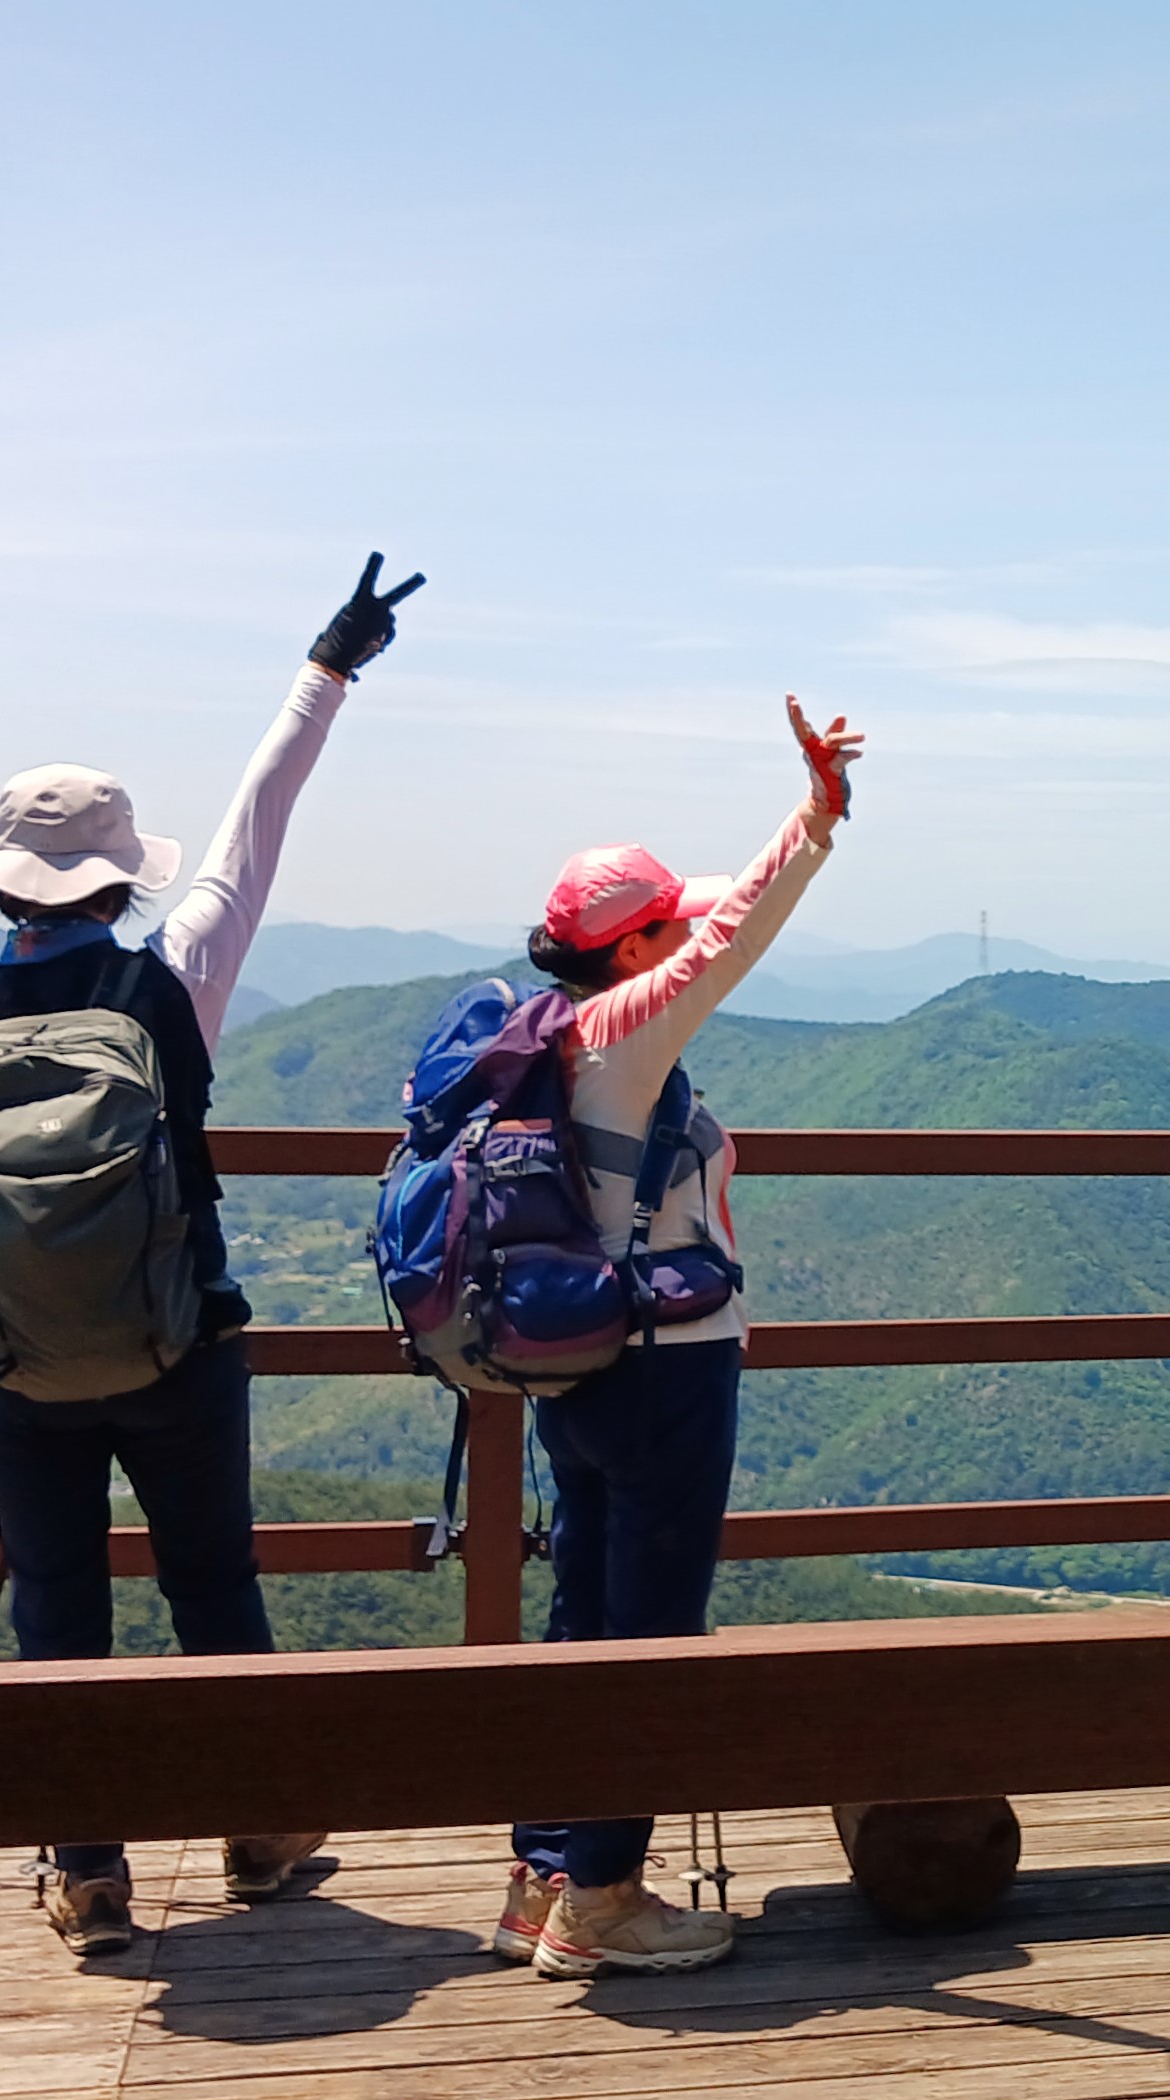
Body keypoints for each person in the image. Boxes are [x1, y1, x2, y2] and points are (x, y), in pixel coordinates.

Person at [0, 552, 421, 1955]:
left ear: (3, 884)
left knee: (58, 1599)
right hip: (178, 1342)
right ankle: (259, 1827)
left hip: (12, 1360)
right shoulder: (174, 975)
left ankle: (89, 1869)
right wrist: (327, 670)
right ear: (117, 876)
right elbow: (252, 830)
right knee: (211, 1582)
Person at [491, 698, 866, 1980]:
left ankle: (545, 1869)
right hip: (665, 1363)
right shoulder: (624, 1029)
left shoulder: (547, 1038)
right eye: (668, 931)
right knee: (650, 1626)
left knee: (583, 1610)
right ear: (632, 948)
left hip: (577, 1364)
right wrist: (813, 821)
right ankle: (603, 1899)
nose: (686, 944)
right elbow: (734, 938)